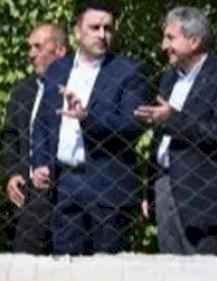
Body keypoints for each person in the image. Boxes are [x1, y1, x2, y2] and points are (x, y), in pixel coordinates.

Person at [31, 0, 148, 256]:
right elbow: (42, 122)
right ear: (77, 31)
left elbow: (131, 125)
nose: (102, 35)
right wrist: (39, 162)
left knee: (107, 275)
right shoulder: (57, 70)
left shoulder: (128, 72)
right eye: (94, 27)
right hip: (64, 184)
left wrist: (87, 117)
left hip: (108, 187)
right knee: (64, 268)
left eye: (108, 28)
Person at [134, 6, 217, 256]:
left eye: (170, 38)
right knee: (171, 275)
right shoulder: (169, 79)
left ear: (194, 41)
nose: (164, 46)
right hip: (165, 188)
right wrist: (150, 191)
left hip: (204, 197)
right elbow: (158, 140)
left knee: (205, 278)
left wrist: (173, 119)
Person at [0, 23, 68, 254]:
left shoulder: (76, 87)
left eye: (38, 47)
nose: (31, 54)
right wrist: (13, 173)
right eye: (30, 47)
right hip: (29, 196)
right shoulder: (22, 91)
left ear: (60, 51)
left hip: (66, 193)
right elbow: (10, 137)